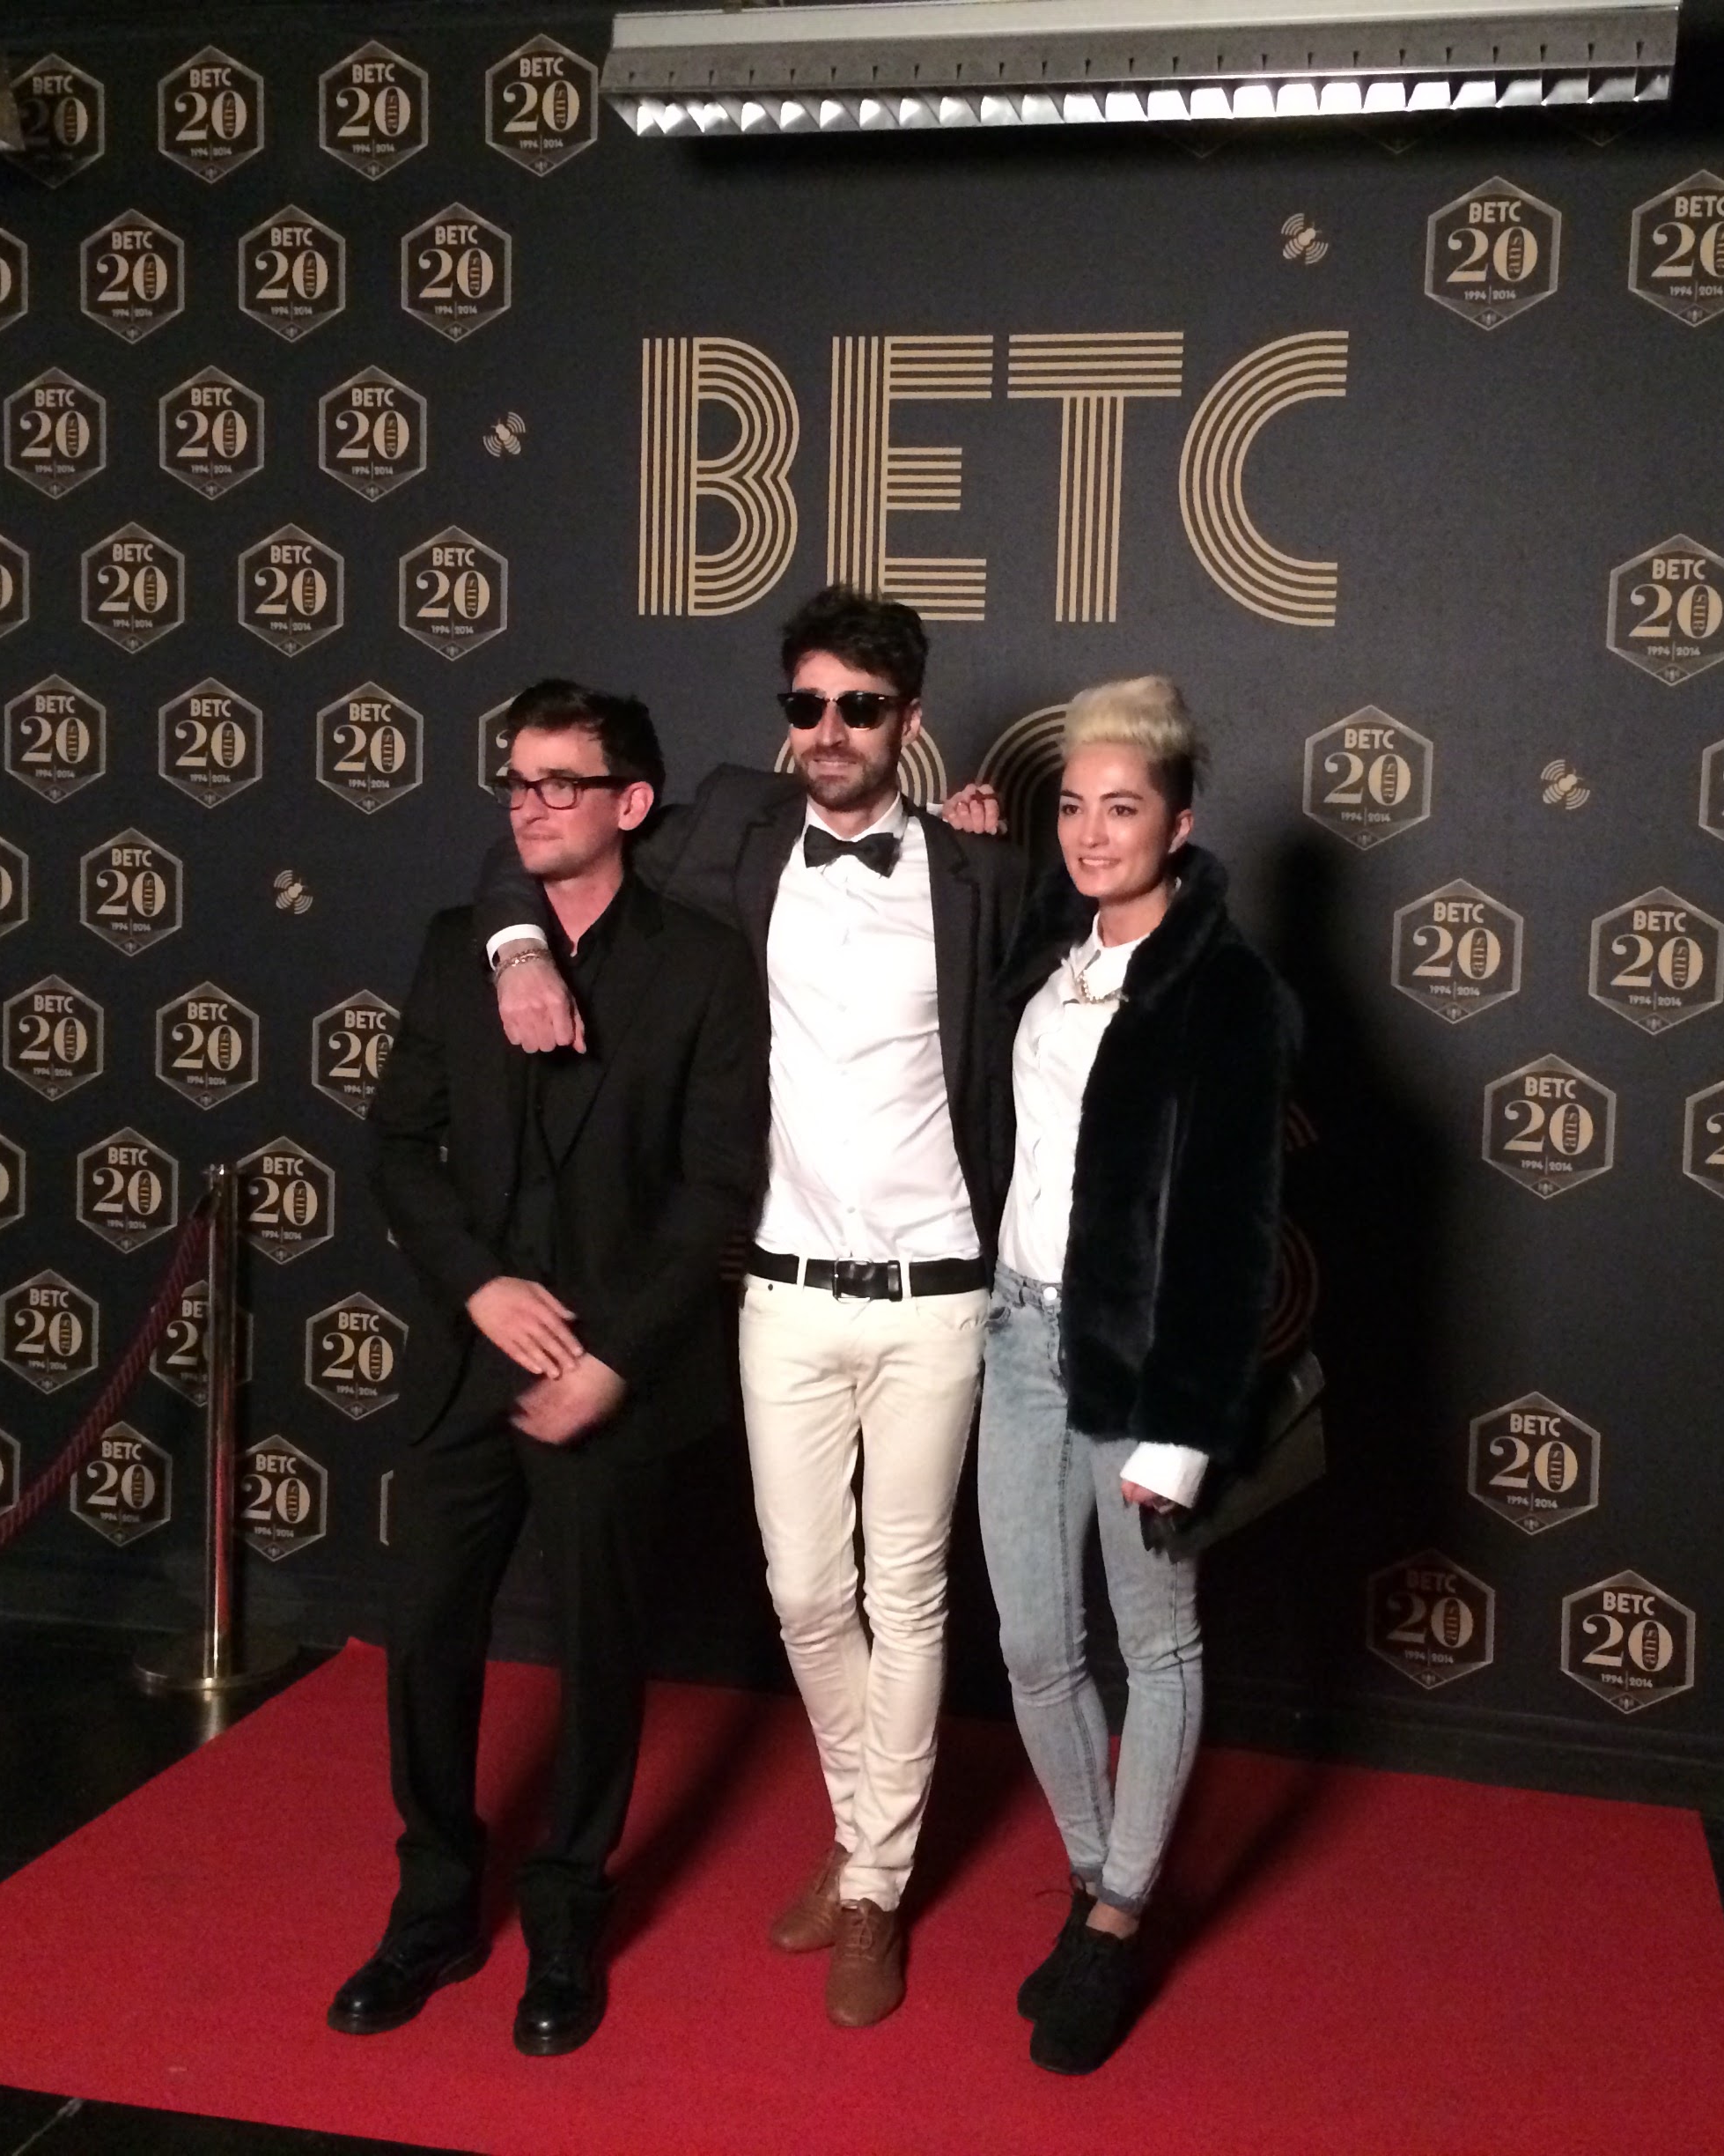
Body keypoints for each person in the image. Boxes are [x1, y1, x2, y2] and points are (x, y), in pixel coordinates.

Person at [477, 587, 1028, 2027]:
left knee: (905, 1592)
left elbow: (1136, 932)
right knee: (801, 1590)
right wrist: (519, 948)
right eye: (806, 705)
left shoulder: (984, 874)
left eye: (858, 707)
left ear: (907, 719)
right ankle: (867, 1842)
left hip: (935, 1298)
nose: (828, 732)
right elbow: (535, 848)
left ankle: (873, 1886)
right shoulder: (729, 822)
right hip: (780, 1289)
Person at [334, 680, 768, 2057]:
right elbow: (398, 1141)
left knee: (596, 1656)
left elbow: (718, 1186)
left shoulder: (704, 964)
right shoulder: (463, 942)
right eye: (515, 781)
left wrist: (612, 1360)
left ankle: (568, 1913)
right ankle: (433, 1907)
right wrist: (481, 1283)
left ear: (631, 805)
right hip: (474, 1360)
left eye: (558, 783)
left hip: (612, 1377)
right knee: (429, 1643)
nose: (527, 804)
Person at [974, 676, 1297, 2074]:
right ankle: (1102, 1879)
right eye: (1073, 806)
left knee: (1154, 1643)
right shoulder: (1050, 945)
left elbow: (1231, 1228)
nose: (1092, 834)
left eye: (1123, 807)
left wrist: (1182, 1431)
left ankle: (1111, 1920)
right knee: (1035, 1650)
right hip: (1013, 1338)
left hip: (1143, 1359)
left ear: (1180, 820)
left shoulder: (1228, 991)